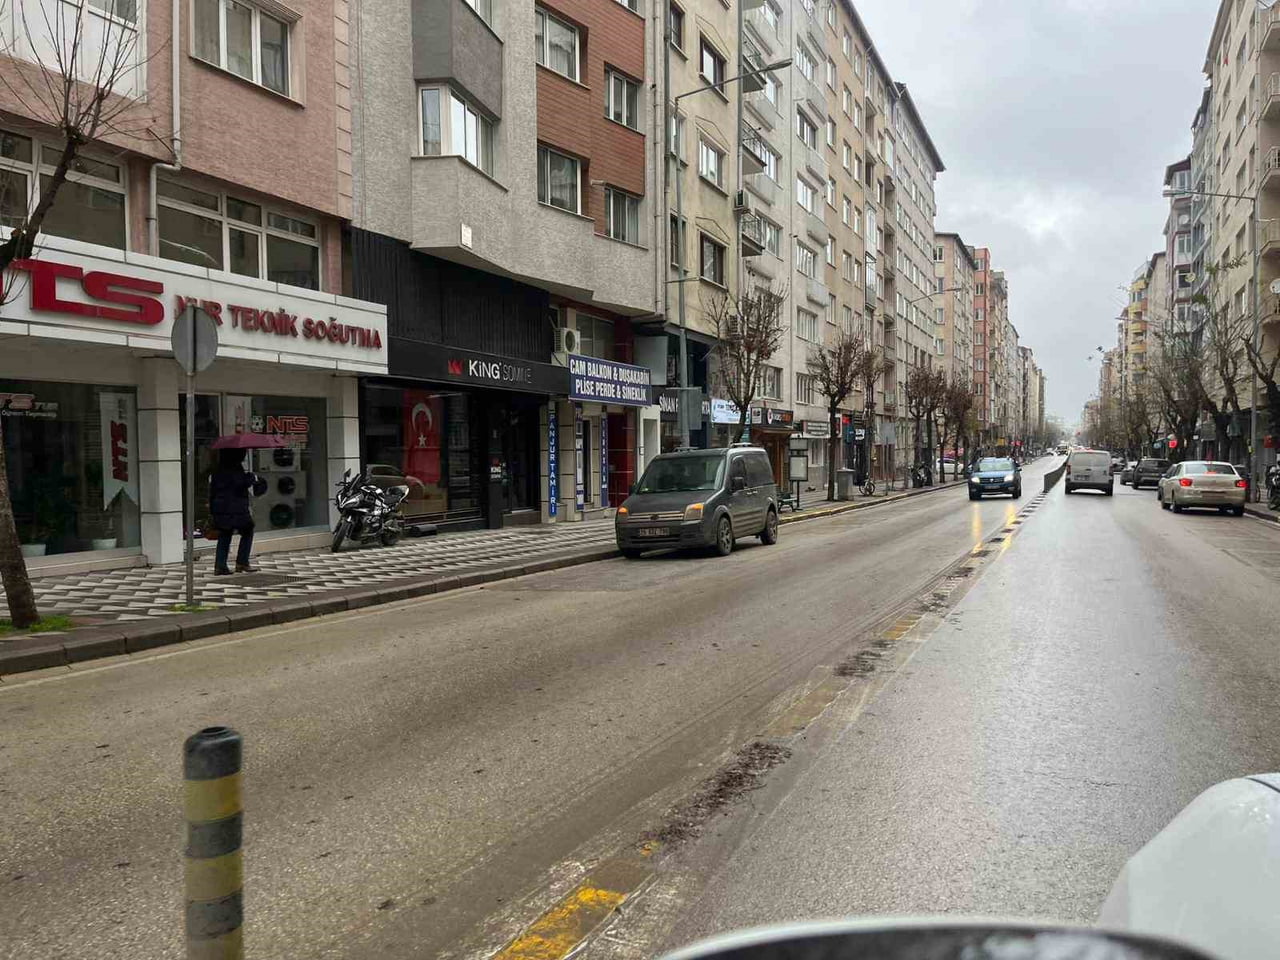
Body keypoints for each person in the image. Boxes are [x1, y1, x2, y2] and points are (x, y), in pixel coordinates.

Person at [209, 448, 267, 575]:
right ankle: (242, 562)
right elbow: (239, 483)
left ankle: (220, 565)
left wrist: (212, 510)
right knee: (247, 530)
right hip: (235, 508)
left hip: (221, 508)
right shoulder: (234, 468)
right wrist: (250, 477)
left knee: (225, 534)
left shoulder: (218, 469)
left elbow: (213, 490)